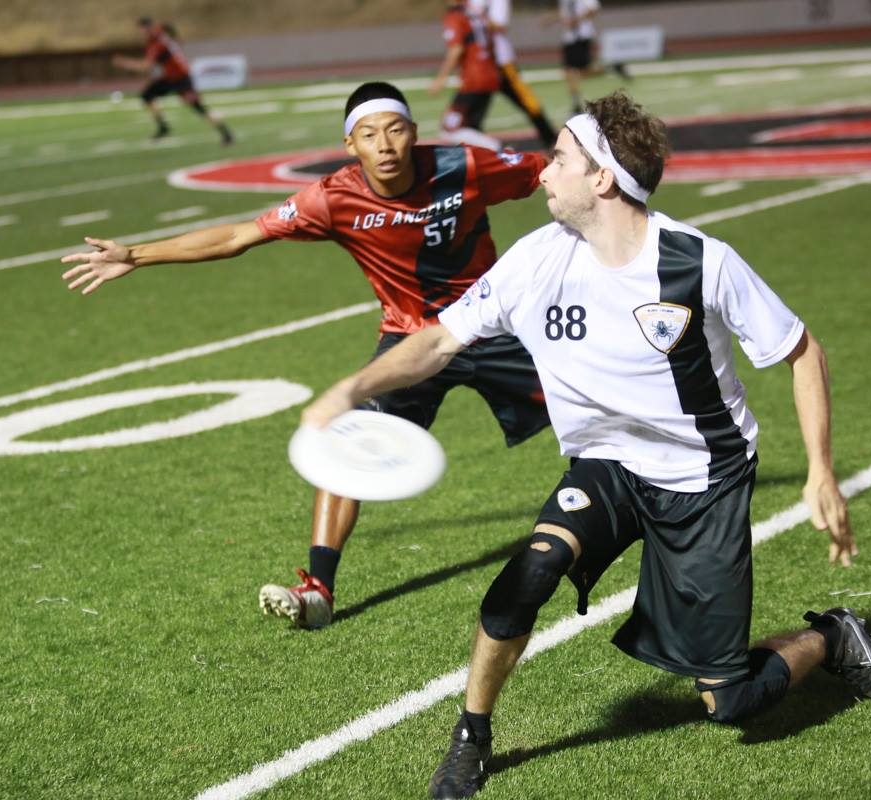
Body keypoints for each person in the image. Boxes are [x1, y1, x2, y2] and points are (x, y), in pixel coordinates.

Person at [299, 90, 871, 798]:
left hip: (702, 479)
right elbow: (436, 341)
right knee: (525, 577)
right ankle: (472, 735)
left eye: (558, 158)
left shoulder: (699, 263)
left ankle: (833, 638)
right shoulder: (538, 260)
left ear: (602, 179)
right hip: (610, 465)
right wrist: (350, 390)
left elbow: (801, 350)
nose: (542, 172)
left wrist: (821, 473)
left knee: (730, 701)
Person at [59, 81, 551, 630]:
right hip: (408, 343)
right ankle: (318, 589)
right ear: (350, 145)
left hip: (492, 326)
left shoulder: (464, 165)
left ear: (413, 133)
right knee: (349, 441)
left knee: (601, 407)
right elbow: (238, 237)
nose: (384, 144)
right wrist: (137, 254)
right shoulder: (332, 198)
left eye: (394, 130)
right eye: (369, 134)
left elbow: (549, 175)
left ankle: (642, 507)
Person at [111, 17, 234, 143]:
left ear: (144, 28)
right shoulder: (160, 33)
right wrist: (178, 39)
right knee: (147, 95)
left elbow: (145, 66)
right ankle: (163, 127)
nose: (141, 33)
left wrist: (123, 63)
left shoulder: (156, 44)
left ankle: (226, 132)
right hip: (171, 77)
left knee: (198, 107)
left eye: (141, 30)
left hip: (181, 78)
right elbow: (170, 28)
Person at [467, 0, 558, 148]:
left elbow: (500, 25)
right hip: (480, 64)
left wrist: (478, 17)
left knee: (525, 100)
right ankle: (475, 145)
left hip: (502, 60)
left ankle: (549, 137)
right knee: (474, 107)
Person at [430, 2, 506, 151]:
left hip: (473, 80)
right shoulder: (475, 12)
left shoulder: (454, 16)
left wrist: (440, 79)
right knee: (473, 128)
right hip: (490, 75)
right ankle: (486, 166)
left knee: (449, 130)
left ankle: (498, 150)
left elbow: (456, 49)